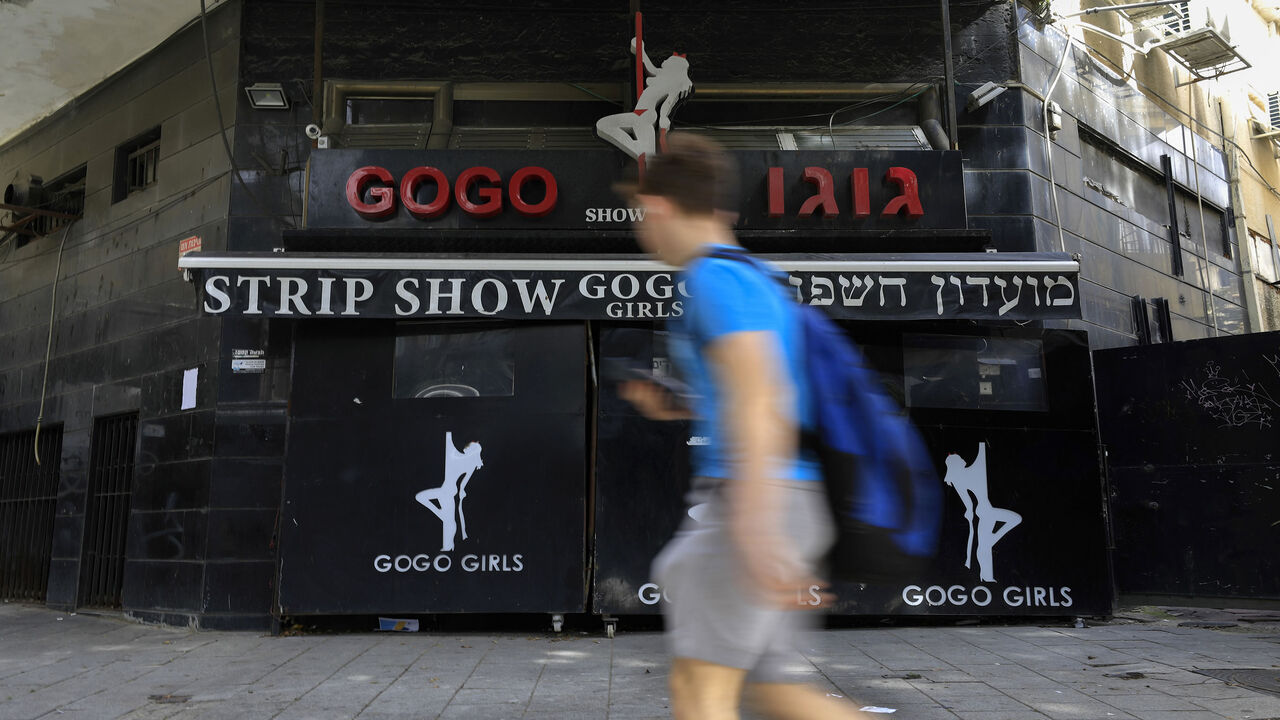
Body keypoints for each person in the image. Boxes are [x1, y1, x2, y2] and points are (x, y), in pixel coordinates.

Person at [618, 133, 877, 720]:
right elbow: (752, 392)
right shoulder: (754, 277)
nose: (640, 230)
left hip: (757, 500)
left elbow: (764, 398)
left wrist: (757, 531)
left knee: (699, 689)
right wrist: (682, 407)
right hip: (785, 495)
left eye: (639, 215)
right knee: (770, 690)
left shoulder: (713, 281)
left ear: (657, 208)